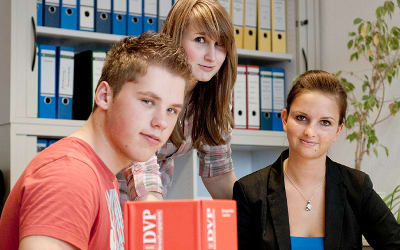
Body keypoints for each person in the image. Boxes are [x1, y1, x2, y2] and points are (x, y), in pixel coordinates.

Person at [0, 32, 191, 250]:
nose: (161, 122)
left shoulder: (101, 174)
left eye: (171, 110)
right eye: (147, 101)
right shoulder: (70, 175)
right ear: (104, 96)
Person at [233, 70, 400, 249]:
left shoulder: (357, 187)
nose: (310, 132)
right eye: (301, 118)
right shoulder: (249, 192)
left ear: (338, 130)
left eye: (325, 122)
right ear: (284, 119)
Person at [118, 0, 238, 202]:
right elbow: (140, 162)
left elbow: (218, 172)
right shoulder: (147, 79)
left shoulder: (211, 96)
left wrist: (254, 219)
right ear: (174, 37)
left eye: (219, 44)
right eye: (200, 40)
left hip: (149, 207)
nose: (211, 56)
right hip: (107, 198)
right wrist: (155, 218)